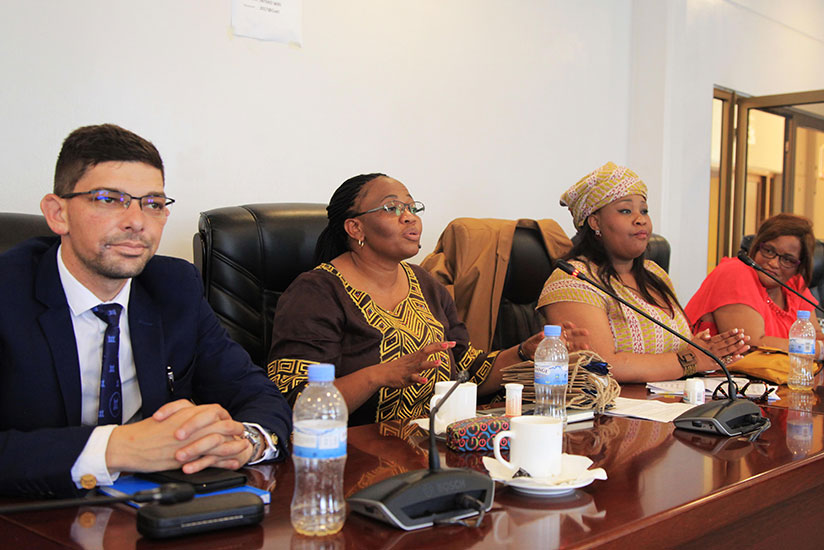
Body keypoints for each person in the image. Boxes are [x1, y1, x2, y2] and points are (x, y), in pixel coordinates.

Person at [0, 124, 291, 497]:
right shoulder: (9, 292)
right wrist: (117, 448)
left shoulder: (174, 287)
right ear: (58, 214)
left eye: (153, 204)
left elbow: (257, 394)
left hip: (152, 508)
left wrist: (248, 441)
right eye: (109, 199)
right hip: (30, 512)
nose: (137, 222)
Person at [268, 173, 587, 426]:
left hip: (430, 446)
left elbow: (465, 371)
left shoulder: (424, 283)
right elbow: (294, 401)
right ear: (355, 227)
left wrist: (522, 352)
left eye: (412, 208)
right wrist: (377, 375)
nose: (409, 218)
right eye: (392, 208)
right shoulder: (316, 292)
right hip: (352, 453)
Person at [538, 162, 749, 382]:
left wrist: (704, 350)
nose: (641, 219)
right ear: (595, 222)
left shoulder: (654, 273)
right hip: (616, 403)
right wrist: (691, 359)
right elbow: (600, 365)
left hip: (672, 397)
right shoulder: (573, 280)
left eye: (644, 211)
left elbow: (681, 351)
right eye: (625, 210)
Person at [685, 213, 824, 357]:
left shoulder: (794, 284)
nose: (773, 263)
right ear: (757, 246)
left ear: (799, 266)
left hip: (784, 370)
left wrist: (817, 347)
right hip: (720, 371)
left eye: (787, 260)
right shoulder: (734, 272)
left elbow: (816, 335)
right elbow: (753, 345)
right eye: (768, 251)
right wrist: (818, 350)